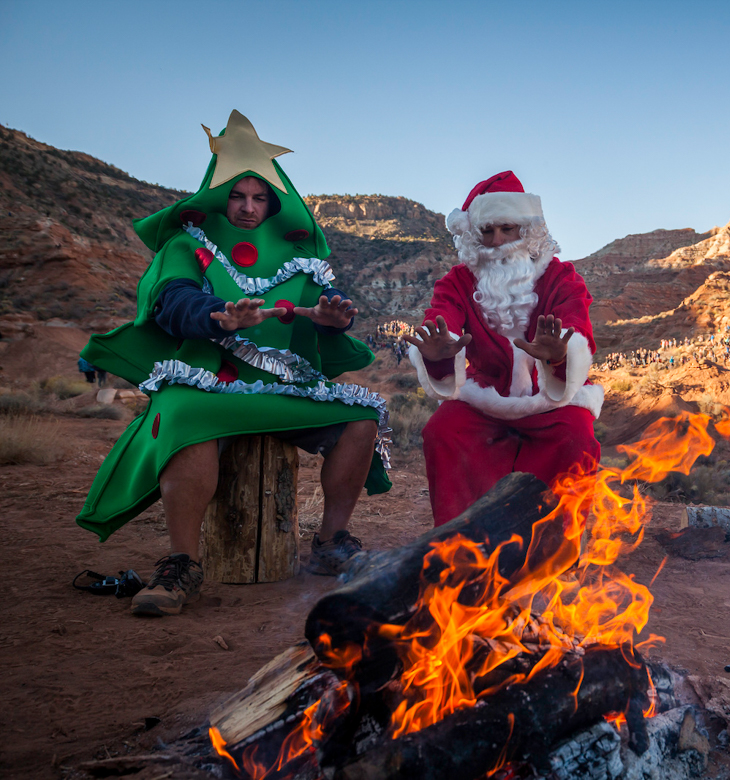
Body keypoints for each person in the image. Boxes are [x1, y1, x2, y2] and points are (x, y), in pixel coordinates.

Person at [77, 111, 392, 616]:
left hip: (284, 386)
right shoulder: (188, 243)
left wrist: (335, 320)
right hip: (208, 382)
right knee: (185, 414)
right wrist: (217, 316)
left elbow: (325, 309)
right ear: (218, 195)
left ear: (274, 201)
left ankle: (331, 544)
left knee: (361, 418)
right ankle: (181, 566)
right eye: (237, 195)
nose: (248, 207)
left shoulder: (298, 255)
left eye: (259, 197)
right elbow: (172, 301)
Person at [405, 171, 602, 526]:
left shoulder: (561, 278)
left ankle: (556, 541)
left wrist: (559, 355)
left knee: (576, 435)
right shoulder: (457, 282)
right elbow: (442, 321)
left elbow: (577, 330)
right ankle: (460, 540)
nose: (496, 241)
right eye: (487, 231)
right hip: (485, 397)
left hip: (551, 398)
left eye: (507, 229)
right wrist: (439, 355)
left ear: (526, 231)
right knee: (442, 431)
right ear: (473, 235)